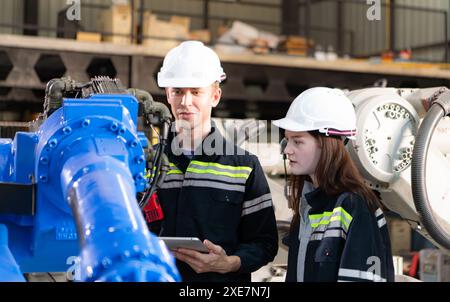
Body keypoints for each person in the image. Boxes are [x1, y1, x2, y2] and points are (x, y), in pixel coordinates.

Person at [148, 41, 278, 282]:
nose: (185, 102)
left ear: (215, 96)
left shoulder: (244, 166)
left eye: (196, 92)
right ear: (167, 95)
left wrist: (228, 263)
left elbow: (265, 243)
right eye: (178, 91)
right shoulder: (147, 163)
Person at [273, 87, 394, 282]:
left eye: (298, 141)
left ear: (327, 144)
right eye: (287, 140)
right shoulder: (309, 207)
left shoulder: (355, 207)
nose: (287, 149)